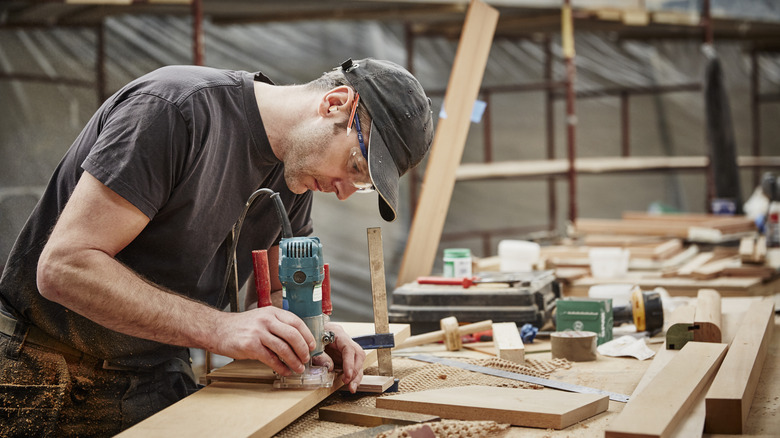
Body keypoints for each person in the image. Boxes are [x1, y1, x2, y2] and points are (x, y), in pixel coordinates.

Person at [0, 57, 434, 436]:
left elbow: (282, 294)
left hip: (152, 373)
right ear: (336, 103)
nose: (342, 192)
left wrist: (315, 332)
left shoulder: (296, 178)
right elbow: (64, 268)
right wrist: (220, 329)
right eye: (355, 166)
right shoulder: (174, 110)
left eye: (359, 186)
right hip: (43, 369)